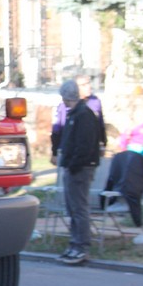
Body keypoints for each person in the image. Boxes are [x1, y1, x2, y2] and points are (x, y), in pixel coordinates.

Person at [56, 79, 102, 265]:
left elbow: (84, 145)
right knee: (73, 207)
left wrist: (73, 164)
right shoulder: (75, 114)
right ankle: (75, 243)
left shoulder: (83, 115)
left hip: (80, 168)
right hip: (74, 166)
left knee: (79, 208)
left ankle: (81, 245)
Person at [51, 74, 106, 161]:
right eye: (84, 85)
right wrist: (54, 152)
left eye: (89, 83)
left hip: (89, 151)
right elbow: (57, 129)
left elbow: (100, 125)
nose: (88, 87)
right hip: (68, 150)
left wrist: (103, 144)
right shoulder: (64, 105)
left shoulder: (95, 101)